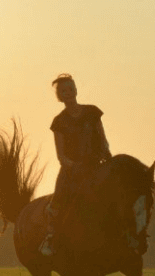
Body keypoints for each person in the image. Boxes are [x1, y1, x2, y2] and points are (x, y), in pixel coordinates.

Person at [40, 73, 112, 255]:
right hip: (72, 170)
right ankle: (50, 238)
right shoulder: (59, 122)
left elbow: (103, 139)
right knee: (58, 200)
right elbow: (61, 156)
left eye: (71, 89)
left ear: (76, 90)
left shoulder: (92, 112)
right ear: (60, 96)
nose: (68, 93)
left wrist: (107, 155)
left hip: (96, 164)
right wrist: (74, 166)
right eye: (64, 91)